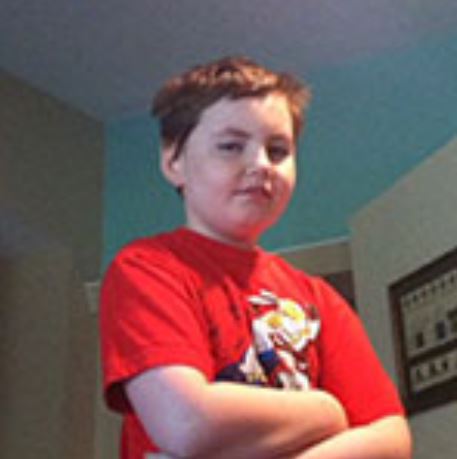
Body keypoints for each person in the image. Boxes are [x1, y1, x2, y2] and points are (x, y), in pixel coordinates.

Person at [100, 56, 412, 459]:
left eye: (278, 150)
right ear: (174, 161)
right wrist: (326, 410)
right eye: (231, 147)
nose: (261, 164)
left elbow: (391, 440)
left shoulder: (318, 299)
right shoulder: (147, 268)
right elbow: (186, 423)